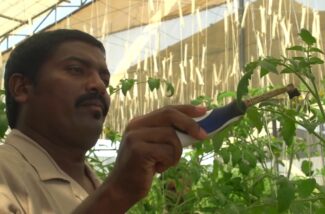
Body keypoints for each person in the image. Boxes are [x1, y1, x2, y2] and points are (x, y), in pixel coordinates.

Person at [0, 29, 208, 213]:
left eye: (105, 80)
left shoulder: (94, 184)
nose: (99, 85)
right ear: (22, 88)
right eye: (75, 70)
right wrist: (118, 193)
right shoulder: (6, 176)